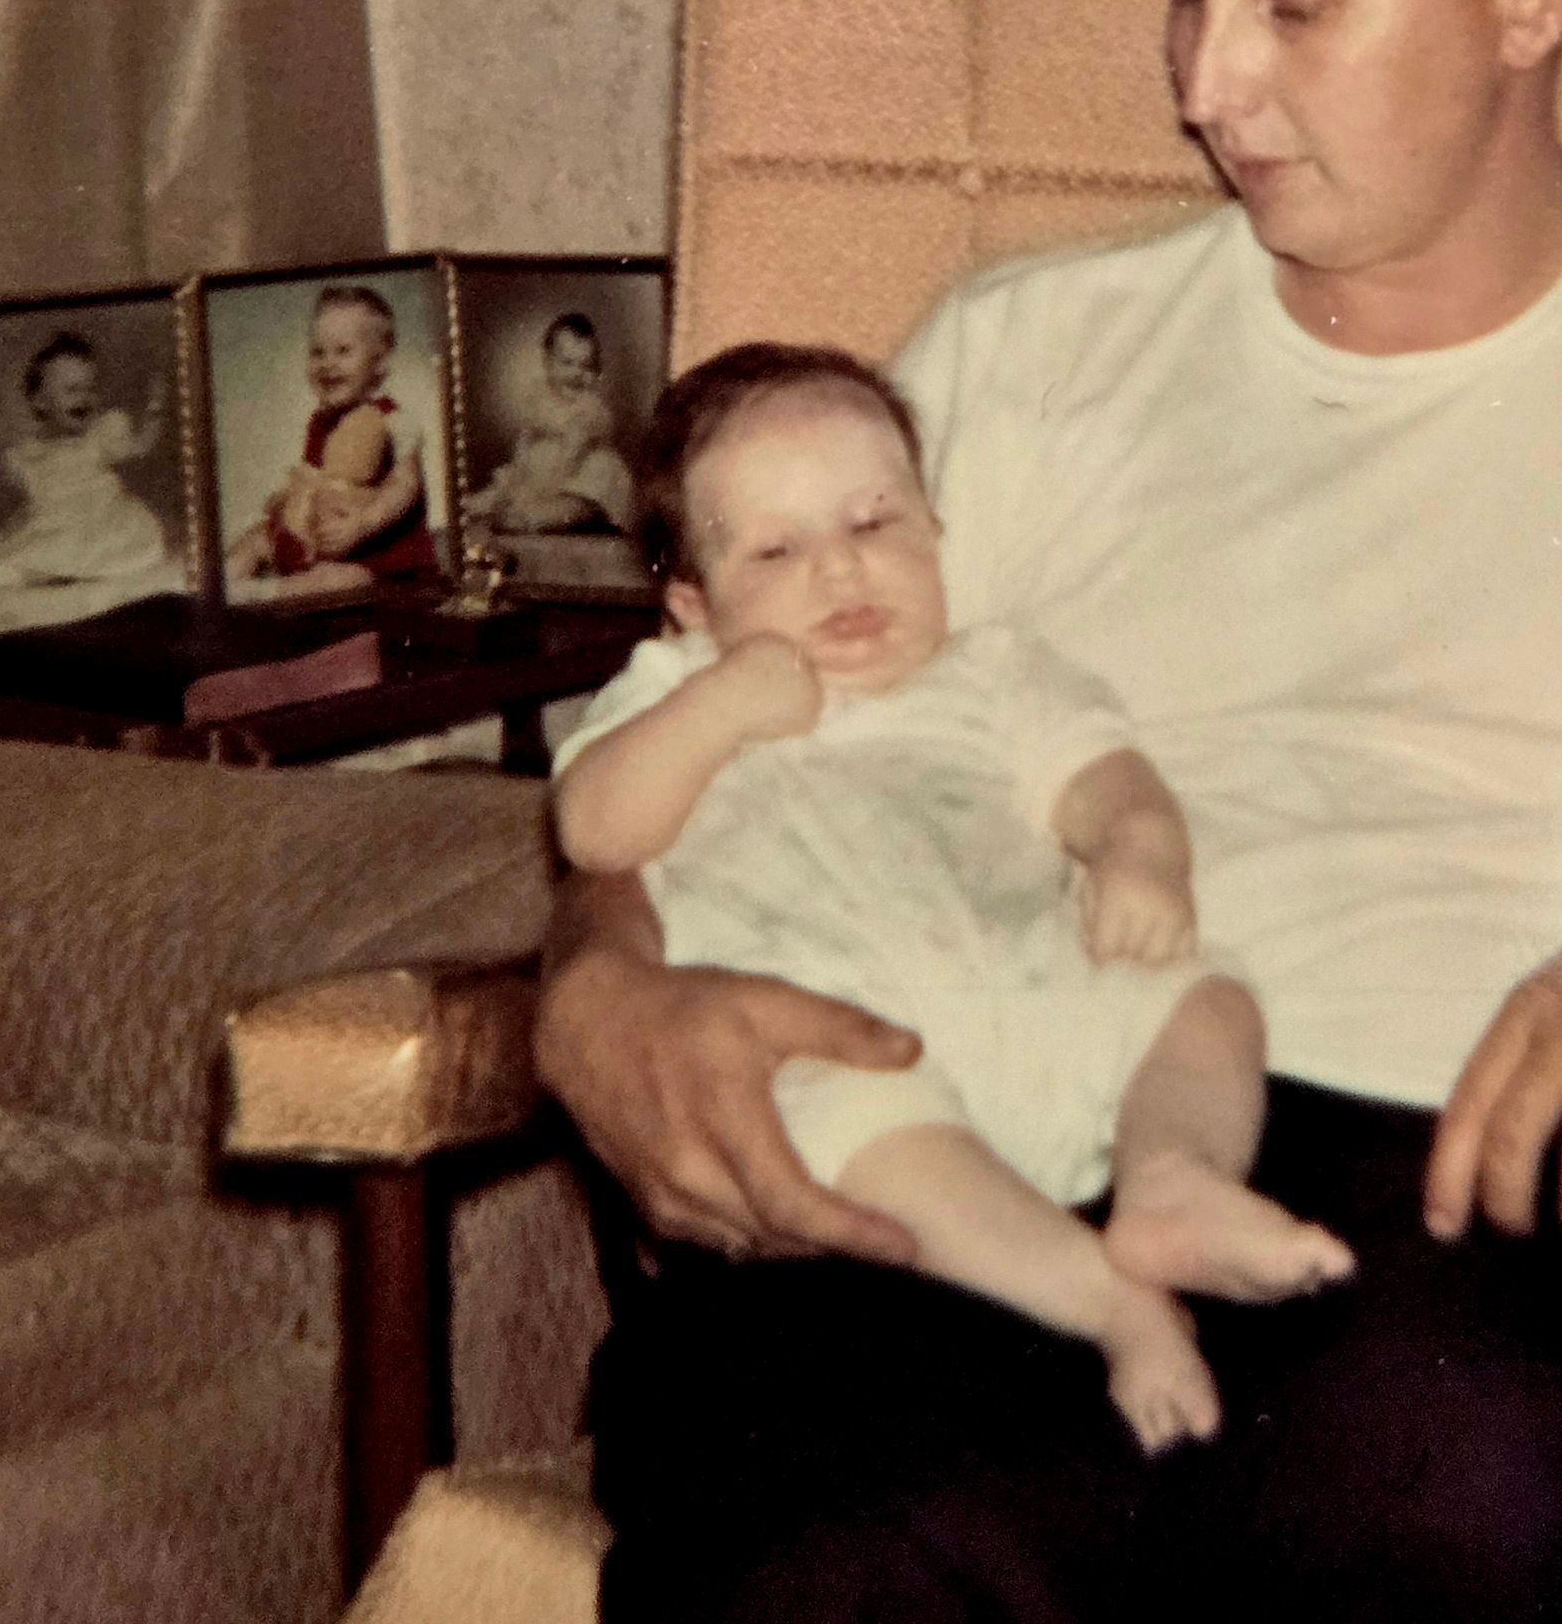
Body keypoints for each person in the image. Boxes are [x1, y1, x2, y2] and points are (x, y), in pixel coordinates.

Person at [536, 0, 1562, 1621]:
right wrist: (597, 990)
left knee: (1478, 1504)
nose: (1203, 88)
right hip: (989, 1144)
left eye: (1289, 6)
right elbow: (708, 765)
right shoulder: (1025, 361)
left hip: (1488, 1192)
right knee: (830, 1559)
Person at [553, 342, 1353, 1451]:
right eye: (778, 550)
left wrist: (1140, 857)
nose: (842, 570)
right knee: (837, 1120)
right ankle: (1110, 1302)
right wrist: (723, 701)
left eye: (875, 522)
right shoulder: (672, 689)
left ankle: (1174, 1177)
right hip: (849, 1049)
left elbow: (1110, 785)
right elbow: (596, 827)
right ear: (691, 602)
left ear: (934, 530)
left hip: (1042, 997)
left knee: (1205, 991)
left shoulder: (999, 675)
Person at [225, 283, 438, 588]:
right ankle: (223, 589)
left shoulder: (394, 420)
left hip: (379, 555)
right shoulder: (320, 422)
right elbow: (315, 480)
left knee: (334, 580)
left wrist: (363, 523)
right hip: (323, 536)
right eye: (318, 352)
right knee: (255, 538)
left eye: (343, 351)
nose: (327, 363)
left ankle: (270, 596)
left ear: (379, 361)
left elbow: (405, 486)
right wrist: (287, 499)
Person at [0, 330, 169, 593]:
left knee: (71, 550)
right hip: (54, 525)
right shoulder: (30, 454)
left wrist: (155, 409)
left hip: (103, 520)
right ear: (41, 401)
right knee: (26, 544)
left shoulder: (99, 435)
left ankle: (24, 573)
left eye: (90, 388)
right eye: (72, 390)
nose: (84, 398)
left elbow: (140, 447)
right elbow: (33, 508)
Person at [465, 311, 635, 537]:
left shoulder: (589, 410)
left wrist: (546, 491)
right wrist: (521, 470)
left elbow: (572, 455)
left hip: (576, 471)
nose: (576, 373)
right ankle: (489, 503)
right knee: (512, 480)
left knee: (593, 483)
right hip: (539, 470)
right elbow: (527, 438)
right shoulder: (540, 400)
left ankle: (540, 517)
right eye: (567, 363)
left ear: (596, 371)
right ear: (548, 363)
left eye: (586, 366)